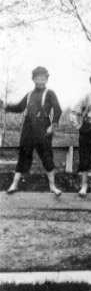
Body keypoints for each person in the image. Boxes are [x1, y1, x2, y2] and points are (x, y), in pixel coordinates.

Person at [1, 66, 63, 195]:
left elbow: (58, 110)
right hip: (28, 128)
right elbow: (19, 107)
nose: (40, 81)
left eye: (43, 79)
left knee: (47, 157)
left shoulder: (50, 93)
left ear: (47, 79)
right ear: (33, 79)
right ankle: (14, 184)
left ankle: (53, 186)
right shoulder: (30, 94)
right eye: (38, 79)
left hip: (43, 128)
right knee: (23, 155)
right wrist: (5, 106)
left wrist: (52, 126)